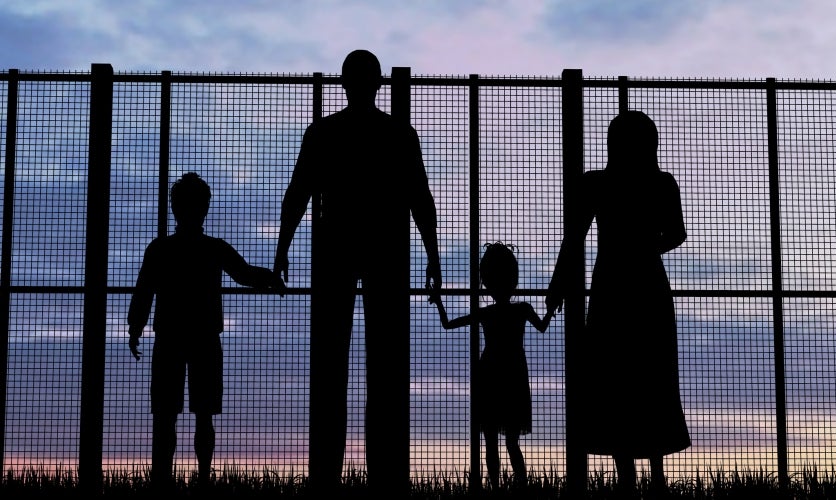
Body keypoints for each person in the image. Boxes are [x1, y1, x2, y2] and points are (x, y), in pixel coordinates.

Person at [273, 49, 442, 497]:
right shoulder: (398, 134)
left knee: (331, 367)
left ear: (344, 83)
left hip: (335, 249)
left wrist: (282, 247)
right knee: (385, 370)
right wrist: (433, 253)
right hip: (386, 250)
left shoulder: (324, 132)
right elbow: (420, 198)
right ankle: (385, 477)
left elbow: (298, 193)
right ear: (379, 83)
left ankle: (326, 476)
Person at [546, 110, 690, 498]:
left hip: (611, 285)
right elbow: (677, 234)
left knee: (616, 374)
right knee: (650, 374)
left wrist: (558, 284)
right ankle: (656, 475)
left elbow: (573, 238)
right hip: (647, 285)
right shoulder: (661, 183)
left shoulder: (597, 183)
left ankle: (627, 474)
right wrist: (645, 248)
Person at [127, 172, 286, 491]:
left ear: (174, 207)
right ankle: (201, 479)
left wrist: (136, 327)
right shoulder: (213, 248)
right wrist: (271, 277)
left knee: (165, 415)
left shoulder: (160, 249)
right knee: (203, 414)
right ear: (205, 208)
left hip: (170, 337)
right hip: (204, 337)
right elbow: (244, 273)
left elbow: (144, 290)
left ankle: (162, 482)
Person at [430, 242, 552, 490]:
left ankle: (496, 488)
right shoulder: (522, 309)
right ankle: (521, 486)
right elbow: (543, 326)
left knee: (491, 443)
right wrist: (551, 307)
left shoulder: (487, 313)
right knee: (511, 442)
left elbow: (447, 324)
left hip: (490, 374)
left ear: (486, 280)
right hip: (514, 373)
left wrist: (439, 301)